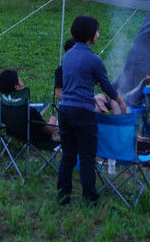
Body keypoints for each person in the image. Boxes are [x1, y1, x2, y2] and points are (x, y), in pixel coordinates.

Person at [56, 15, 127, 205]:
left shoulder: (68, 55)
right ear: (90, 34)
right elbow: (107, 87)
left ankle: (63, 196)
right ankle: (90, 199)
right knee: (87, 157)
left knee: (68, 156)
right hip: (82, 113)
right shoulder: (93, 59)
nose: (98, 34)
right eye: (97, 30)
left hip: (65, 111)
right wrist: (120, 101)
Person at [0, 69, 59, 141]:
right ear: (17, 87)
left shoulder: (3, 107)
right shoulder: (30, 111)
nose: (20, 79)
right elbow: (49, 130)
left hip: (14, 135)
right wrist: (52, 120)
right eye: (18, 78)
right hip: (35, 139)